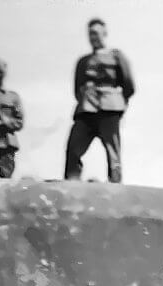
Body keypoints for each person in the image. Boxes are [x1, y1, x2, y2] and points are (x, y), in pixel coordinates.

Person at [64, 18, 135, 183]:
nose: (93, 37)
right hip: (86, 109)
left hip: (110, 109)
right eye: (90, 34)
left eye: (96, 33)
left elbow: (129, 85)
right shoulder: (83, 62)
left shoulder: (116, 56)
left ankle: (115, 185)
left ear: (105, 33)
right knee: (73, 148)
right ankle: (72, 183)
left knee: (113, 153)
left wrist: (119, 104)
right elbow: (77, 87)